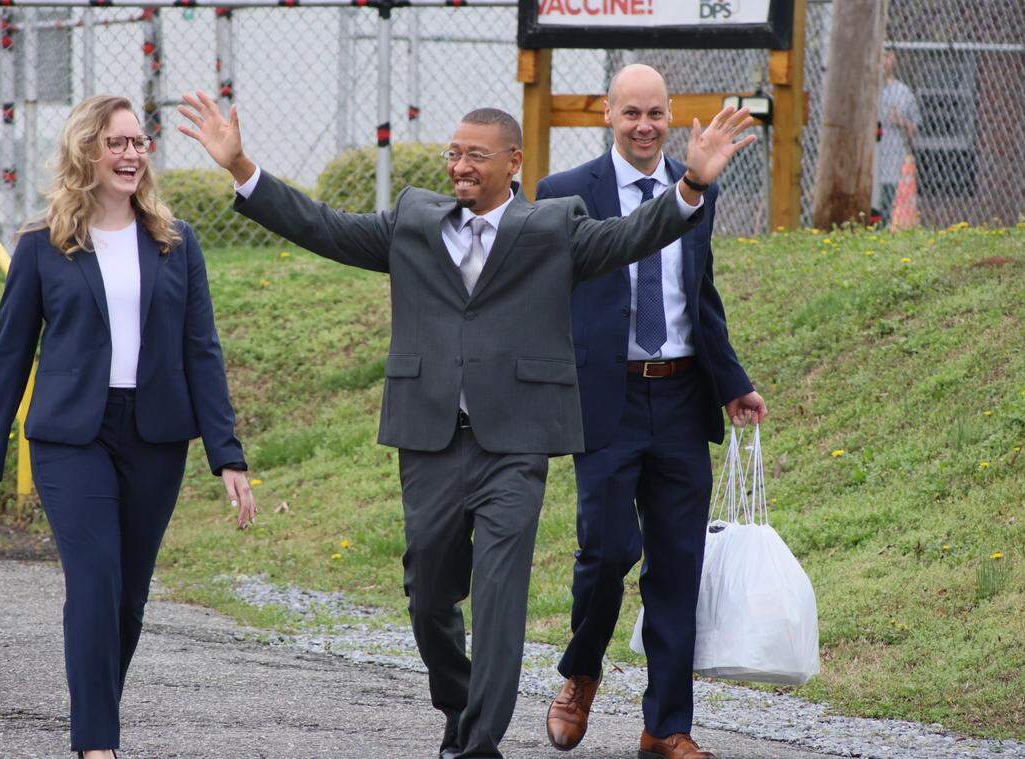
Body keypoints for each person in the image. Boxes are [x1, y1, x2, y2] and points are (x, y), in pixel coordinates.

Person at [178, 90, 754, 759]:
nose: (459, 166)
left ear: (514, 163)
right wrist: (240, 165)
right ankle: (460, 705)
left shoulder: (553, 227)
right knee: (428, 594)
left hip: (516, 441)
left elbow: (631, 235)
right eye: (453, 153)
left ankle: (477, 744)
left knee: (502, 594)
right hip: (430, 439)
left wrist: (690, 185)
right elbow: (323, 227)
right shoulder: (413, 222)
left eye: (475, 156)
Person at [0, 95, 256, 759]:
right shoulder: (43, 246)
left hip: (154, 436)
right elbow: (9, 362)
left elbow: (201, 350)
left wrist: (227, 456)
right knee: (93, 581)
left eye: (139, 143)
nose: (132, 154)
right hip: (71, 438)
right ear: (86, 153)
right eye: (117, 143)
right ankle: (99, 744)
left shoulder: (176, 244)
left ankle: (94, 715)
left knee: (127, 599)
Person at [536, 64, 766, 759]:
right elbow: (546, 304)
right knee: (606, 552)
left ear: (670, 117)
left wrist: (730, 380)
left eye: (656, 114)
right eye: (631, 112)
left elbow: (702, 294)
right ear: (607, 114)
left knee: (677, 564)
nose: (644, 125)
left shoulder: (700, 187)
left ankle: (666, 725)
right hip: (604, 398)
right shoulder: (566, 193)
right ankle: (581, 669)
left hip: (678, 394)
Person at [872, 49, 921, 228]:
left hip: (891, 163)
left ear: (893, 59)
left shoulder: (903, 92)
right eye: (879, 56)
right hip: (867, 162)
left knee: (884, 209)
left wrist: (901, 121)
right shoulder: (865, 89)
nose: (883, 61)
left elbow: (914, 129)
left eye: (886, 55)